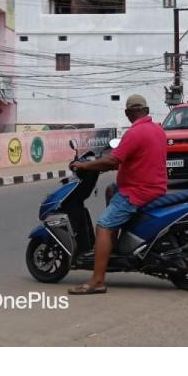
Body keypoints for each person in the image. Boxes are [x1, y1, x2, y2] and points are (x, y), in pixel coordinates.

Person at [67, 94, 167, 295]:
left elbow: (113, 161)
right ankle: (115, 241)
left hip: (137, 191)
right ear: (146, 111)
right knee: (111, 190)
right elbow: (133, 157)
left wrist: (85, 165)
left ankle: (97, 281)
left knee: (103, 225)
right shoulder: (158, 129)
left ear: (128, 113)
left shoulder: (135, 132)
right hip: (156, 187)